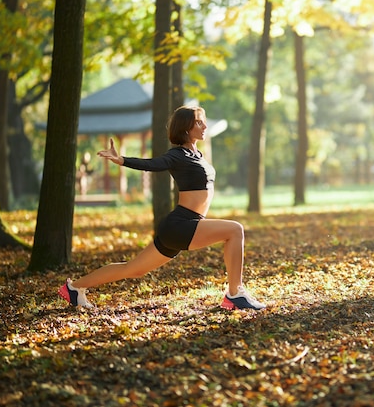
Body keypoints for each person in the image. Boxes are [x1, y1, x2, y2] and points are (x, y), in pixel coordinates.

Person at [58, 105, 266, 310]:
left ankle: (75, 288)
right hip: (182, 224)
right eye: (199, 122)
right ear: (185, 127)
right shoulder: (178, 155)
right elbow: (153, 164)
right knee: (235, 230)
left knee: (133, 269)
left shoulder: (197, 155)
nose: (204, 126)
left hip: (184, 225)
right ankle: (235, 293)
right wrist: (121, 160)